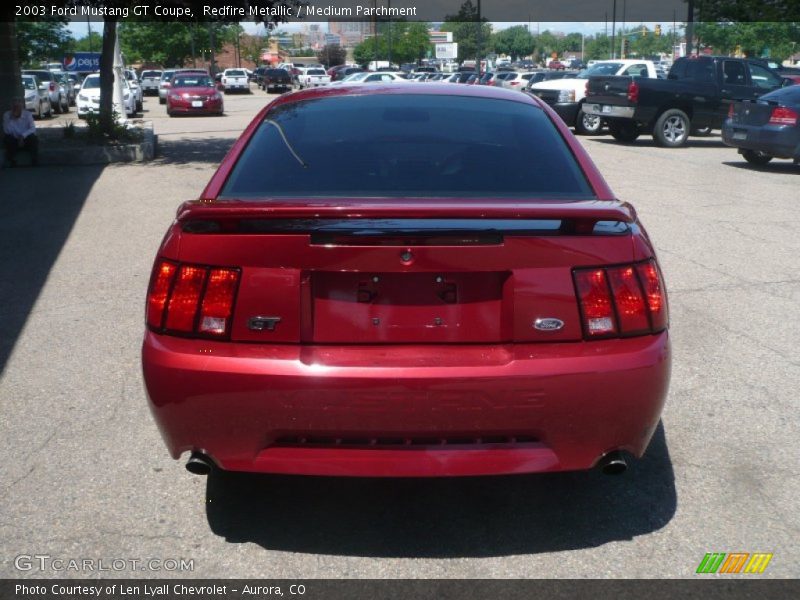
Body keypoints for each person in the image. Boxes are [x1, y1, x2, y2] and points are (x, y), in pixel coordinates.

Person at [3, 97, 38, 167]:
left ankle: (34, 160)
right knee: (8, 139)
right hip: (14, 139)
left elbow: (32, 128)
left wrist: (22, 136)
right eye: (14, 105)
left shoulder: (28, 114)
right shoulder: (7, 115)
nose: (16, 107)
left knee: (33, 138)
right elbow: (6, 130)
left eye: (18, 105)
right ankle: (11, 160)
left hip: (25, 138)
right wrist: (12, 118)